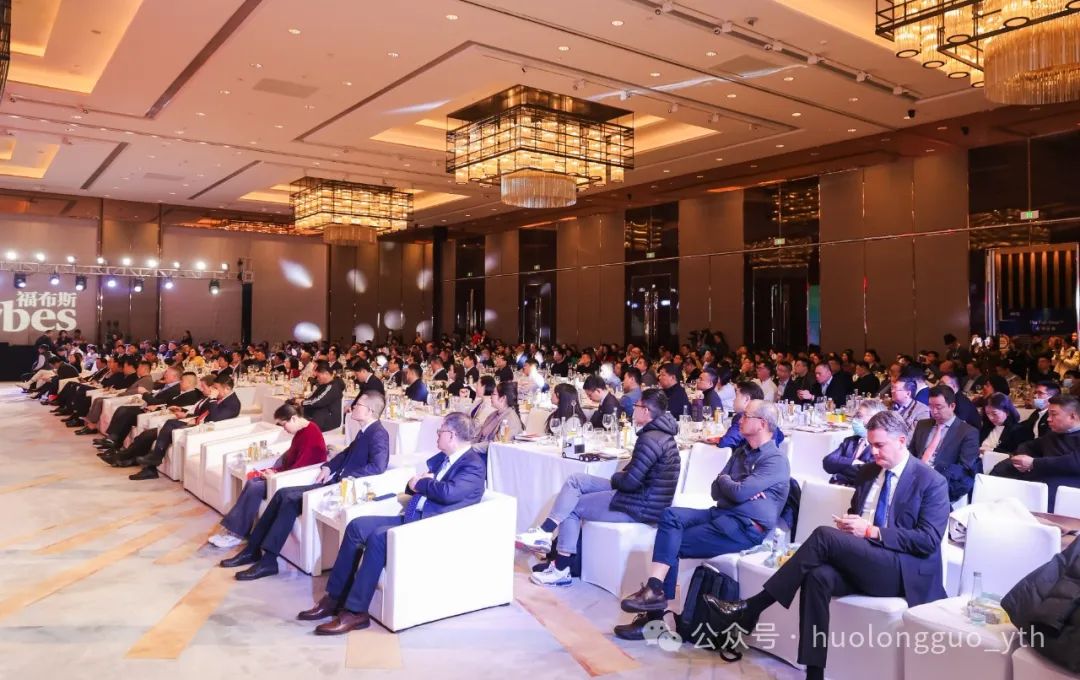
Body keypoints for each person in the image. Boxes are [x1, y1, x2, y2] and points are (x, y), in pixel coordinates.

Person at [703, 410, 950, 680]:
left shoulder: (931, 481)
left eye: (880, 445)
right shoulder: (869, 472)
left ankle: (754, 606)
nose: (873, 452)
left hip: (903, 571)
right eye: (870, 445)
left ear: (901, 441)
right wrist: (851, 524)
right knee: (817, 577)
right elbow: (856, 509)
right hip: (868, 559)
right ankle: (814, 673)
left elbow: (928, 540)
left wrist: (872, 531)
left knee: (823, 536)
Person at [295, 412, 486, 634]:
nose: (437, 435)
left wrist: (422, 483)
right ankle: (334, 598)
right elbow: (413, 486)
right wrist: (420, 483)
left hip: (432, 526)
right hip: (413, 516)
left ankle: (356, 612)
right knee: (357, 526)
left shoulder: (473, 465)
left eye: (440, 431)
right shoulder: (443, 458)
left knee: (379, 536)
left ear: (451, 435)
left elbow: (447, 493)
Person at [614, 400, 790, 639]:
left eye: (746, 416)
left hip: (743, 528)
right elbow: (716, 490)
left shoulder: (775, 460)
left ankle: (654, 619)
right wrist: (734, 486)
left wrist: (732, 484)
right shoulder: (742, 451)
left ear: (762, 423)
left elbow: (736, 491)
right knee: (671, 516)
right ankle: (654, 592)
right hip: (722, 514)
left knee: (672, 543)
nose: (740, 420)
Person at [220, 392, 391, 579]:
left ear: (370, 411)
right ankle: (253, 549)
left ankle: (268, 560)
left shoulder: (378, 434)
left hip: (344, 488)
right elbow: (346, 453)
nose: (353, 407)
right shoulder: (365, 431)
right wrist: (328, 466)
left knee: (290, 499)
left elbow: (378, 466)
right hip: (334, 482)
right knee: (281, 494)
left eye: (358, 405)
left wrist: (346, 477)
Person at [521, 389, 681, 586]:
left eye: (637, 406)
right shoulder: (661, 435)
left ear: (646, 411)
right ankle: (545, 531)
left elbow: (630, 482)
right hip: (640, 496)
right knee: (576, 480)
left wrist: (617, 476)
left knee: (572, 507)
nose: (633, 409)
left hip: (640, 505)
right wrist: (620, 477)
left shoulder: (650, 439)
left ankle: (561, 568)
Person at [208, 403, 329, 548]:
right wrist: (274, 471)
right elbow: (291, 460)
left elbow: (300, 467)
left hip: (296, 479)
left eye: (284, 424)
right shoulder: (301, 432)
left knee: (255, 487)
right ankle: (236, 530)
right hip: (288, 474)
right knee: (252, 482)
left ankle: (235, 534)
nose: (284, 429)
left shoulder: (311, 434)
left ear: (294, 419)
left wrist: (277, 474)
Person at [128, 376, 243, 480]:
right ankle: (153, 463)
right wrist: (193, 417)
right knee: (168, 425)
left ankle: (154, 460)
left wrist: (212, 400)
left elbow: (215, 418)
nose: (214, 390)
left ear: (227, 389)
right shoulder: (223, 397)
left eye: (216, 388)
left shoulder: (233, 403)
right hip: (199, 423)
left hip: (206, 431)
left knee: (169, 425)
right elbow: (205, 412)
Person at [990, 394, 1080, 511]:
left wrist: (1034, 463)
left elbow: (1074, 462)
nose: (1048, 419)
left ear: (1072, 416)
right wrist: (1022, 458)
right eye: (1048, 414)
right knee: (1003, 468)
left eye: (1054, 414)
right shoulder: (1053, 434)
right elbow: (1028, 445)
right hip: (1042, 476)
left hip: (1068, 486)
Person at [93, 368, 201, 451]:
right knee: (123, 410)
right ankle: (112, 438)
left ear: (175, 377)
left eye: (167, 374)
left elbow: (164, 403)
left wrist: (146, 394)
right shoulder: (167, 385)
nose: (164, 375)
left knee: (127, 412)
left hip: (156, 410)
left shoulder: (177, 389)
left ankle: (114, 440)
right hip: (152, 406)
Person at [907, 385, 980, 503]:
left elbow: (964, 467)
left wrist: (932, 473)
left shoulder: (968, 432)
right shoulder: (922, 425)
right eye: (930, 406)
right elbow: (912, 452)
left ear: (952, 406)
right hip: (914, 476)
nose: (933, 411)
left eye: (938, 407)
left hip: (942, 481)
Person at [822, 398, 886, 486]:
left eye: (859, 416)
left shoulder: (880, 446)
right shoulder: (850, 441)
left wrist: (840, 468)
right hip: (836, 487)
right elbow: (828, 462)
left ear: (874, 419)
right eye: (856, 415)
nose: (855, 419)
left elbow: (869, 473)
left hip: (857, 490)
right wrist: (852, 462)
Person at [710, 382, 785, 450]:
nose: (733, 400)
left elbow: (726, 442)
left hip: (751, 459)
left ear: (746, 399)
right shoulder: (766, 416)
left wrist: (719, 440)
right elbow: (780, 436)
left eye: (736, 396)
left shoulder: (744, 417)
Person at [472, 381, 523, 456]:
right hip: (478, 452)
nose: (490, 397)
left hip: (489, 457)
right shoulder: (493, 415)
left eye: (494, 394)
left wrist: (471, 448)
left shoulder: (510, 420)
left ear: (503, 398)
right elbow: (478, 437)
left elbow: (496, 445)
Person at [301, 361, 345, 432]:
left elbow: (319, 401)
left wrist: (302, 402)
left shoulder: (333, 386)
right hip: (321, 416)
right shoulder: (325, 385)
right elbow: (313, 398)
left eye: (318, 376)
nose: (317, 379)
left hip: (327, 421)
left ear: (326, 374)